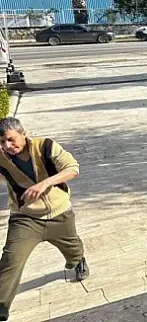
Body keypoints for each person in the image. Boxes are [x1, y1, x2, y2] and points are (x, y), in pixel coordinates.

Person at [0, 117, 88, 321]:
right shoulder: (1, 156)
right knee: (11, 260)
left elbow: (72, 168)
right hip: (25, 217)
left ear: (23, 134)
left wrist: (45, 183)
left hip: (59, 214)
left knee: (73, 249)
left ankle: (78, 260)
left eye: (11, 140)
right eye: (2, 142)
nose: (7, 146)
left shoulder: (46, 146)